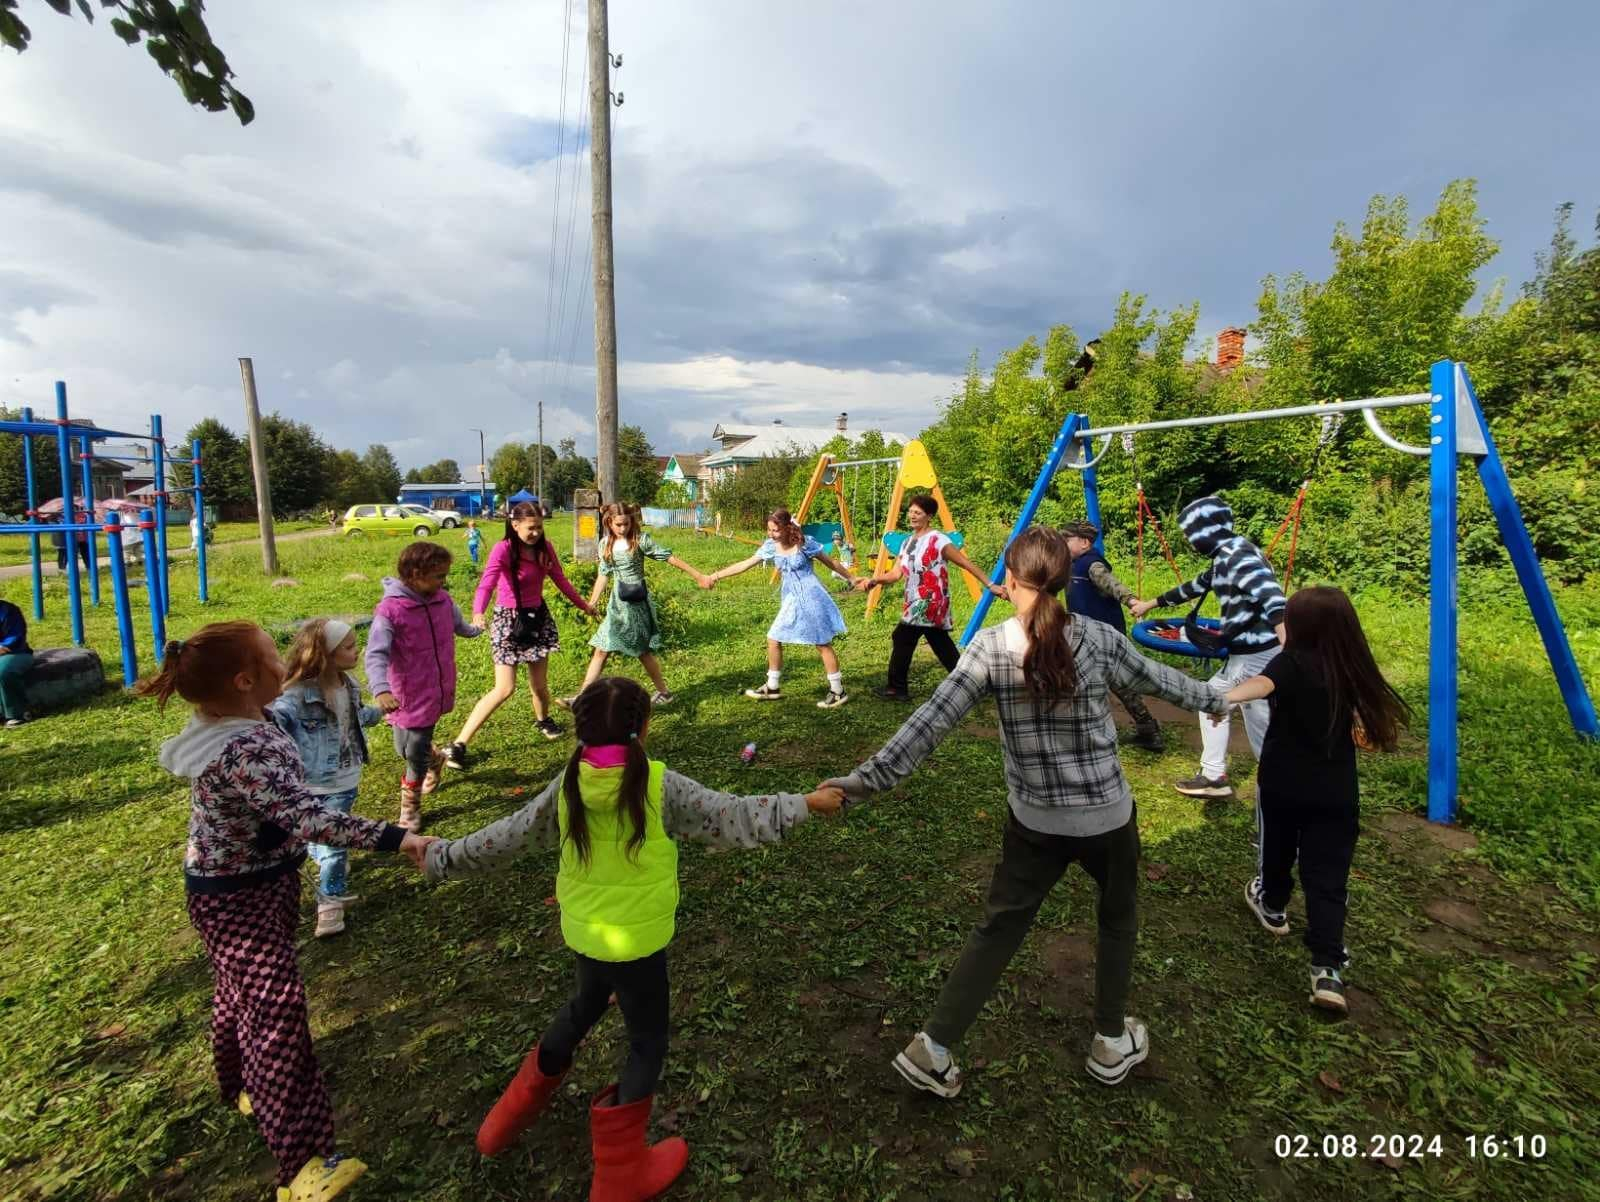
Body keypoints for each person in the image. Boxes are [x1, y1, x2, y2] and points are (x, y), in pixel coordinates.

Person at [822, 527, 1228, 1094]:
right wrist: (1238, 692)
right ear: (1064, 580)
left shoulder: (990, 647)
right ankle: (1111, 1041)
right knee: (1118, 918)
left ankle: (933, 1046)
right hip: (1108, 818)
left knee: (999, 928)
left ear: (1009, 579)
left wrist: (857, 785)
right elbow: (1176, 686)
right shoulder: (1101, 641)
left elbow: (925, 728)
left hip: (1035, 822)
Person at [424, 676, 843, 1197]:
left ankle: (501, 1126)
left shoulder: (569, 782)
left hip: (586, 933)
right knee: (646, 1042)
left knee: (583, 1006)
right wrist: (807, 802)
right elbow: (734, 815)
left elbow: (503, 837)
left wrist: (439, 855)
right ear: (644, 727)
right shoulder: (659, 784)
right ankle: (619, 1175)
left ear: (580, 728)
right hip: (639, 944)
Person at [138, 620, 433, 1202]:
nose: (284, 664)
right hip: (237, 897)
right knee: (276, 1013)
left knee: (239, 992)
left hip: (246, 885)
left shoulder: (245, 722)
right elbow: (307, 817)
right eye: (273, 657)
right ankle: (302, 1166)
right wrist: (397, 838)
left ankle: (240, 1084)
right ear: (246, 679)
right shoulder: (244, 746)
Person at [1214, 586, 1409, 1014]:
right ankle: (1327, 970)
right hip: (1335, 791)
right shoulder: (1353, 666)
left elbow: (1261, 684)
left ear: (1299, 627)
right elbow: (1367, 726)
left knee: (1277, 852)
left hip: (1283, 783)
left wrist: (1221, 700)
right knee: (1328, 878)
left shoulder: (1291, 661)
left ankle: (1273, 905)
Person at [1130, 495, 1286, 798]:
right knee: (1210, 702)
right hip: (1244, 656)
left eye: (1191, 533)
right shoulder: (1227, 553)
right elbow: (1194, 587)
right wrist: (1150, 604)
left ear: (1206, 529)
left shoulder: (1238, 556)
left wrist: (1291, 653)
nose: (1189, 541)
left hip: (1257, 657)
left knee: (1264, 735)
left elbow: (1275, 601)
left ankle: (1282, 805)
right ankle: (1214, 776)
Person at [445, 503, 593, 760]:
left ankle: (543, 720)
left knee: (539, 685)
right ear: (515, 526)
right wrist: (478, 612)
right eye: (530, 528)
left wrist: (585, 605)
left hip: (536, 620)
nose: (535, 532)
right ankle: (459, 744)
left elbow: (560, 579)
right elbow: (487, 584)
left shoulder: (545, 549)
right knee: (504, 688)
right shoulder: (504, 549)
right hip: (508, 621)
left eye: (539, 527)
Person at [268, 619, 385, 938]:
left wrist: (383, 711)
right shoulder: (297, 695)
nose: (356, 649)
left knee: (331, 841)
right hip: (308, 782)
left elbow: (356, 716)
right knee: (329, 841)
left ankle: (329, 880)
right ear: (326, 655)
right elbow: (274, 720)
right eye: (348, 646)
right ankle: (330, 903)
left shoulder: (349, 685)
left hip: (344, 779)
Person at [364, 541, 482, 831]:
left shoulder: (443, 600)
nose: (444, 581)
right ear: (416, 574)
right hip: (401, 693)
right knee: (402, 749)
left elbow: (459, 626)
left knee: (414, 751)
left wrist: (475, 629)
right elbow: (376, 653)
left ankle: (411, 808)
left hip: (432, 690)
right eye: (439, 575)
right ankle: (436, 758)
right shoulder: (390, 610)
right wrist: (381, 689)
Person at [852, 493, 1002, 702]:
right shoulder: (907, 543)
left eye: (918, 513)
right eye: (911, 511)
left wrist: (990, 584)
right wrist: (874, 580)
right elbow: (896, 574)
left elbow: (966, 564)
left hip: (931, 601)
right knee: (941, 643)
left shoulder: (939, 540)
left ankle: (897, 689)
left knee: (902, 637)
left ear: (929, 516)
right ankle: (972, 683)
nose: (912, 516)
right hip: (914, 600)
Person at [560, 503, 711, 709]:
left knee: (642, 651)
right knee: (601, 650)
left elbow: (669, 557)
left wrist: (698, 575)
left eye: (626, 524)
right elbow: (604, 574)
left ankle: (664, 693)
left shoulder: (640, 540)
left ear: (632, 522)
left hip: (636, 606)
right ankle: (583, 697)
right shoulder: (604, 544)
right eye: (618, 525)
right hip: (616, 607)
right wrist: (592, 602)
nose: (623, 529)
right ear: (609, 523)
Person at [706, 508, 854, 709]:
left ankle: (838, 691)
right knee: (773, 638)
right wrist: (715, 576)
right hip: (792, 600)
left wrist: (852, 579)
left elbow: (831, 562)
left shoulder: (804, 543)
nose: (771, 534)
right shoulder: (771, 546)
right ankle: (772, 686)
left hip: (812, 597)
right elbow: (745, 564)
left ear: (786, 528)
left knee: (822, 643)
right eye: (769, 530)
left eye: (775, 530)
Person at [1062, 520, 1163, 751]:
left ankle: (1148, 731)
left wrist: (1131, 600)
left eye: (1067, 539)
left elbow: (1112, 584)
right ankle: (1144, 730)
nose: (1063, 543)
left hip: (1105, 635)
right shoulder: (1072, 564)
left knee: (1119, 683)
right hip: (1083, 633)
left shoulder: (1092, 565)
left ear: (1085, 542)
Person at [0, 594, 34, 727]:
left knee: (3, 671)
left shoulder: (8, 611)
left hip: (15, 653)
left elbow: (12, 642)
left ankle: (18, 713)